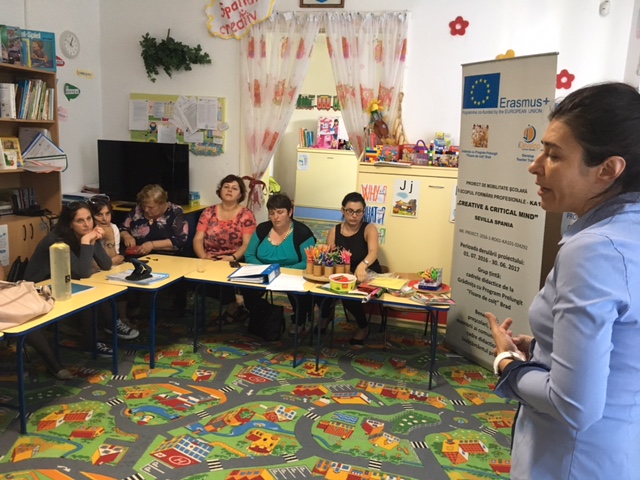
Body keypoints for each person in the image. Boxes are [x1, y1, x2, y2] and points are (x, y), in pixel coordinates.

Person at [485, 82, 640, 479]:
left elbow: (574, 405)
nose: (535, 166)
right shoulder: (628, 233)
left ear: (608, 170)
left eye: (554, 155)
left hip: (571, 459)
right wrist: (544, 348)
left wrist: (507, 364)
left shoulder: (594, 250)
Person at [22, 202, 116, 377]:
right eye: (80, 221)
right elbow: (82, 272)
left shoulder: (84, 233)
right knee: (88, 292)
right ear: (70, 224)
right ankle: (94, 338)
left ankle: (97, 337)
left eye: (89, 219)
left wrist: (93, 240)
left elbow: (106, 264)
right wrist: (87, 241)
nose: (87, 224)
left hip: (62, 282)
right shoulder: (57, 240)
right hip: (39, 287)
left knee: (93, 292)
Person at [244, 194, 316, 334]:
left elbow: (308, 262)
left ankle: (299, 320)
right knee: (246, 288)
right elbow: (249, 255)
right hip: (264, 273)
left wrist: (282, 270)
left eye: (280, 212)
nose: (275, 217)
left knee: (300, 292)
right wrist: (266, 270)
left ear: (290, 212)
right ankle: (260, 314)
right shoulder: (262, 229)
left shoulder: (302, 233)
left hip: (292, 274)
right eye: (272, 213)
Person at [193, 175, 257, 323]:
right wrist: (203, 256)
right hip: (210, 257)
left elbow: (247, 244)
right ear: (220, 190)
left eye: (234, 188)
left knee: (227, 274)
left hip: (236, 258)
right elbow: (198, 239)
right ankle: (236, 302)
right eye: (226, 187)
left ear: (240, 195)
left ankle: (234, 305)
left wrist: (233, 257)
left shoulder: (246, 214)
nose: (229, 190)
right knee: (193, 279)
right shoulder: (208, 212)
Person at [119, 184, 189, 315]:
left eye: (151, 207)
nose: (146, 210)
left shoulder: (175, 212)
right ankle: (132, 309)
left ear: (162, 203)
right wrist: (127, 236)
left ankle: (178, 309)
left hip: (168, 255)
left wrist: (152, 245)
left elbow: (180, 240)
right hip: (139, 253)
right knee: (128, 270)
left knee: (180, 270)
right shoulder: (138, 210)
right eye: (144, 206)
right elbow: (123, 228)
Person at [323, 192, 381, 344]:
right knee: (321, 289)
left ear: (363, 212)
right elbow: (331, 256)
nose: (354, 216)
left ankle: (363, 326)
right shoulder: (334, 231)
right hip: (344, 272)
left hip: (367, 271)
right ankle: (325, 316)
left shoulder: (369, 228)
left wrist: (362, 266)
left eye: (358, 212)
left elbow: (373, 252)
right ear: (343, 211)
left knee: (348, 294)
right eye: (350, 211)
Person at [89, 194, 139, 339]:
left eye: (108, 214)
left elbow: (111, 259)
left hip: (105, 269)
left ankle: (121, 319)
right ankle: (110, 323)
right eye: (99, 214)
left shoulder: (113, 228)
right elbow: (98, 264)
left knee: (126, 278)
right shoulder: (87, 231)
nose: (105, 219)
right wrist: (110, 261)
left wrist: (110, 236)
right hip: (90, 273)